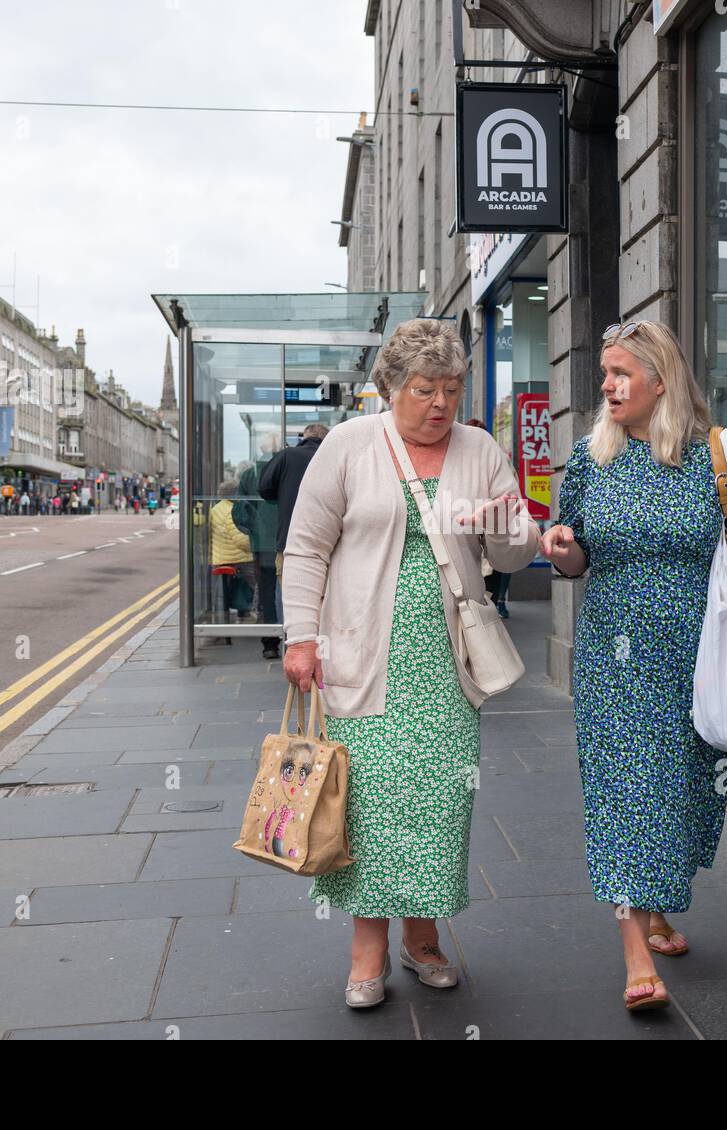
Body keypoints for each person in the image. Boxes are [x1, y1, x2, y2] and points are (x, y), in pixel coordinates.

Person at [281, 318, 540, 1008]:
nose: (441, 404)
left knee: (439, 803)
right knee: (367, 804)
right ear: (390, 388)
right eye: (426, 389)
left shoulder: (479, 448)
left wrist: (505, 525)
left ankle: (422, 938)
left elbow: (517, 552)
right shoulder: (347, 446)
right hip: (361, 653)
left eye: (452, 389)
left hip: (446, 663)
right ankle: (367, 948)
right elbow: (306, 547)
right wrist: (300, 637)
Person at [541, 319, 727, 1012]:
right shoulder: (593, 457)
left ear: (660, 379)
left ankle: (655, 907)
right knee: (628, 790)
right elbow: (578, 549)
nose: (609, 387)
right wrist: (561, 551)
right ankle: (635, 957)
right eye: (605, 376)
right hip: (614, 653)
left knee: (685, 789)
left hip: (700, 649)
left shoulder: (720, 451)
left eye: (622, 374)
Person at [258, 423, 327, 630]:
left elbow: (264, 487)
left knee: (292, 599)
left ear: (303, 437)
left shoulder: (288, 456)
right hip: (330, 542)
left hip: (291, 540)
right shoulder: (336, 455)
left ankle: (294, 643)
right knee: (325, 599)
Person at [235, 448, 283, 660]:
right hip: (288, 540)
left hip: (262, 544)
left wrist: (252, 530)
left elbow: (240, 511)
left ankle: (270, 643)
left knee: (266, 593)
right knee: (292, 590)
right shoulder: (286, 466)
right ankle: (293, 637)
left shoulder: (250, 474)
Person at [208, 479, 258, 626]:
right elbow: (241, 541)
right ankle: (255, 611)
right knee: (259, 581)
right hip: (237, 559)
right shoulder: (232, 510)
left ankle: (242, 611)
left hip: (219, 558)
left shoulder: (216, 509)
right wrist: (256, 543)